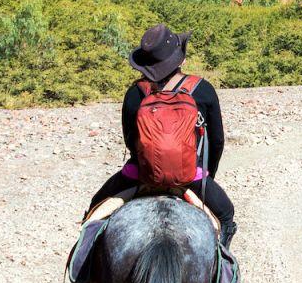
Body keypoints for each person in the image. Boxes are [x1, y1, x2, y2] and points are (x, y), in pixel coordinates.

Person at [84, 24, 237, 246]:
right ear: (180, 60)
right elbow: (217, 141)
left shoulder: (135, 93)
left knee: (94, 210)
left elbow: (130, 141)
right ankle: (221, 276)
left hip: (140, 174)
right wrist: (203, 176)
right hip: (189, 175)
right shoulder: (203, 90)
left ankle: (82, 277)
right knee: (226, 216)